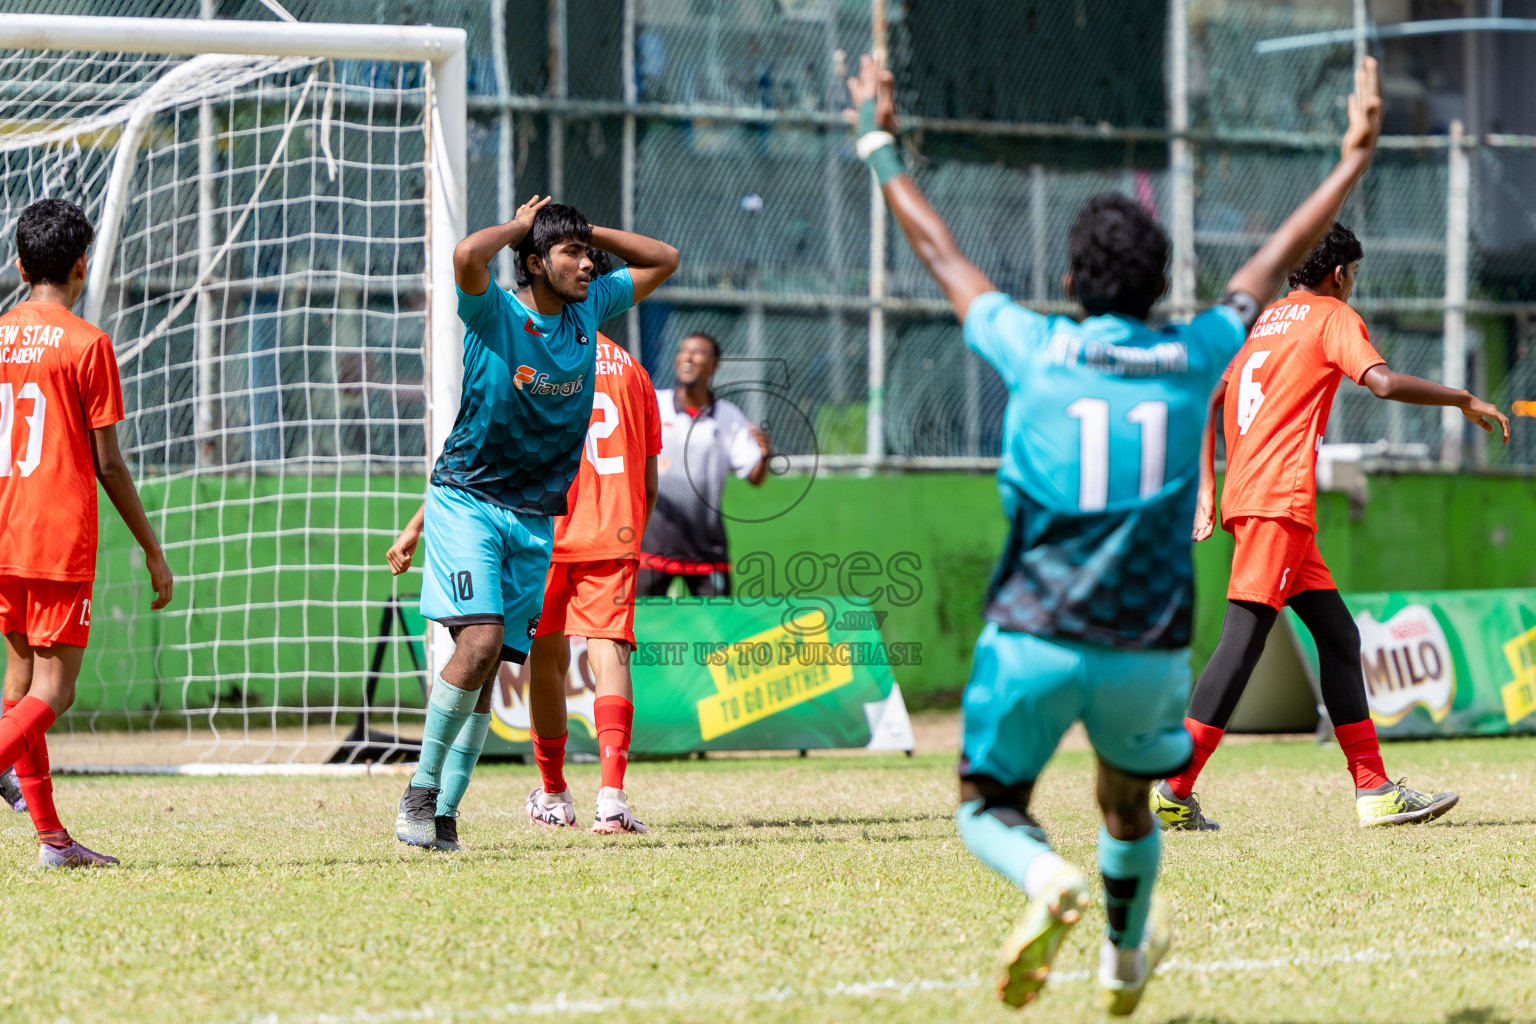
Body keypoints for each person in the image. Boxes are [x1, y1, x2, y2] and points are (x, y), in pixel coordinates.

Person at [846, 54, 1390, 1013]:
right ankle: (1123, 958)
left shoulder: (1034, 344)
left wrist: (879, 142)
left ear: (1066, 277)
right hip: (1141, 650)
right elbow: (1272, 264)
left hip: (1031, 636)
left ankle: (1045, 878)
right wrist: (1351, 158)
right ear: (1162, 285)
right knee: (1129, 804)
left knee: (989, 807)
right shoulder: (1195, 351)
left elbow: (938, 252)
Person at [1152, 224, 1508, 833]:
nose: (1353, 284)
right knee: (1242, 640)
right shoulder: (1330, 315)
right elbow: (1384, 383)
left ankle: (1374, 791)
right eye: (1355, 273)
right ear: (1339, 273)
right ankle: (1174, 789)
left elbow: (1209, 398)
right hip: (1277, 501)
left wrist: (1210, 488)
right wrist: (1463, 398)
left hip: (1254, 498)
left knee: (1339, 638)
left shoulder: (1260, 322)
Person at [390, 196, 677, 852]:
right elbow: (466, 256)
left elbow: (665, 259)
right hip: (468, 500)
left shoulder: (589, 309)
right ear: (533, 263)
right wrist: (526, 224)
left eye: (587, 253)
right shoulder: (495, 312)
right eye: (570, 253)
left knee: (489, 666)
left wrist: (579, 226)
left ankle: (444, 819)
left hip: (534, 518)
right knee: (482, 642)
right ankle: (420, 790)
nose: (587, 261)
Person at [0, 198, 174, 868]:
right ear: (82, 265)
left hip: (7, 529)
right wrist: (152, 547)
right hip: (54, 534)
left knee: (18, 692)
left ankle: (52, 841)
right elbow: (107, 461)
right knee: (55, 692)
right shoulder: (87, 343)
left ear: (19, 266)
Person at [524, 319, 661, 834]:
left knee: (546, 658)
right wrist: (629, 530)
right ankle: (612, 797)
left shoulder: (535, 356)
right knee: (611, 652)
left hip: (545, 530)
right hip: (614, 530)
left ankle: (555, 795)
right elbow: (649, 479)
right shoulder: (633, 369)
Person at [637, 332, 772, 597]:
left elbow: (755, 477)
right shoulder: (654, 403)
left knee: (719, 634)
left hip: (706, 550)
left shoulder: (729, 416)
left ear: (714, 364)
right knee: (636, 630)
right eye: (683, 350)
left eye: (697, 352)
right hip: (652, 546)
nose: (687, 357)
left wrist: (765, 455)